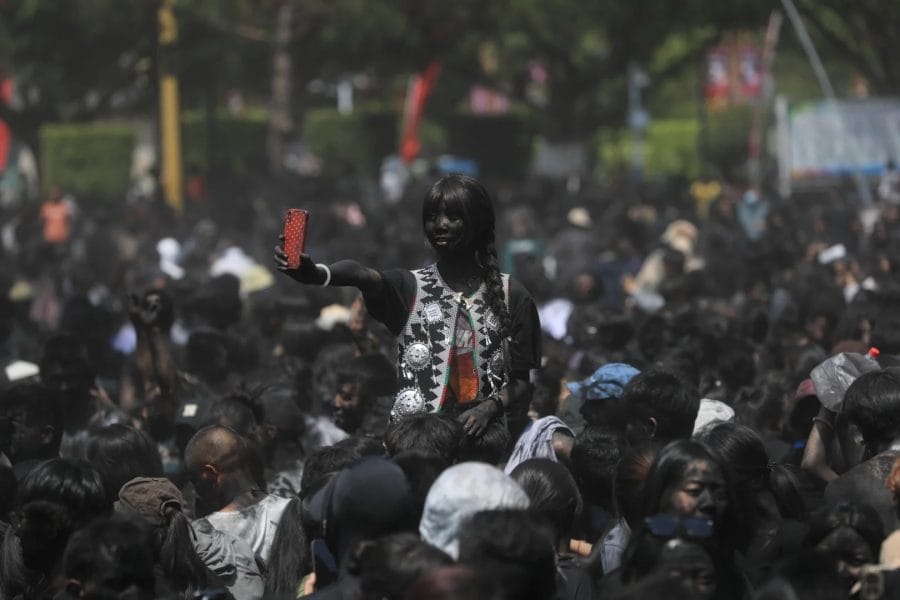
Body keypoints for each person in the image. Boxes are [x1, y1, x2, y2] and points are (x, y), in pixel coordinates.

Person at [275, 174, 542, 447]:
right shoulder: (411, 286)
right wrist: (319, 273)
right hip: (414, 448)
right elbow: (362, 275)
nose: (440, 225)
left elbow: (521, 383)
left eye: (453, 217)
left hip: (481, 447)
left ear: (479, 223)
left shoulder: (513, 295)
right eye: (432, 217)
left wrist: (490, 407)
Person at [184, 425, 290, 567]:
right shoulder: (290, 509)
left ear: (211, 473)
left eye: (194, 479)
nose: (195, 490)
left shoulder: (206, 535)